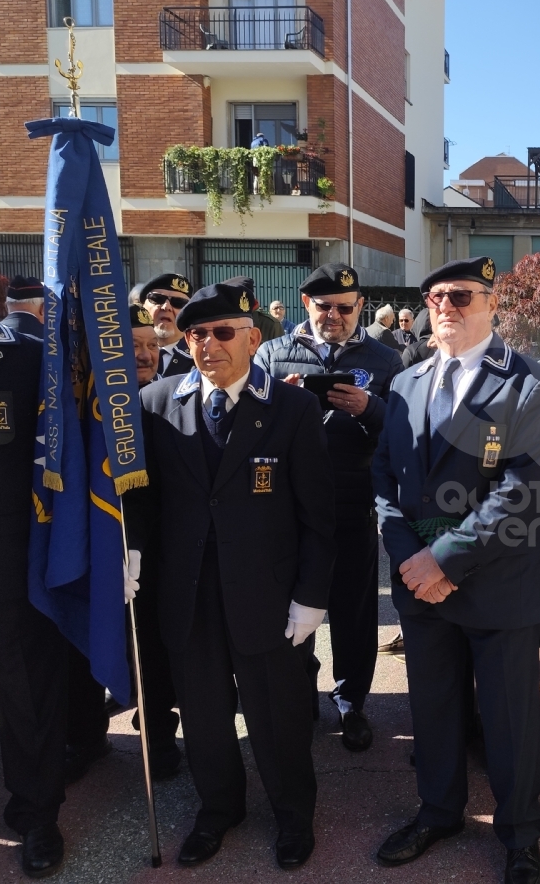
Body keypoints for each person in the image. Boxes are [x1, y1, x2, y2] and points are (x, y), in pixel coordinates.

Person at [125, 281, 335, 870]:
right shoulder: (158, 402)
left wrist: (312, 596)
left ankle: (293, 814)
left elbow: (319, 516)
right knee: (205, 714)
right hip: (188, 592)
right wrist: (132, 547)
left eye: (222, 333)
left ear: (251, 337)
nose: (208, 345)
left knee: (279, 715)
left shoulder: (291, 408)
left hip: (267, 594)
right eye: (196, 334)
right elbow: (144, 498)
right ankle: (219, 808)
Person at [372, 256, 540, 884]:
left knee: (509, 720)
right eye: (434, 297)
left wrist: (443, 559)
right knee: (433, 708)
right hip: (421, 585)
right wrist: (408, 558)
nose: (446, 306)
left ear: (490, 304)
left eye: (461, 295)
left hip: (497, 582)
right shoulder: (405, 383)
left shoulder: (530, 383)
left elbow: (526, 490)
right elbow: (384, 483)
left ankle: (519, 838)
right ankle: (438, 812)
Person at [0, 225, 69, 878]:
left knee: (29, 704)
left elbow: (58, 457)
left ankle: (37, 818)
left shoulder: (23, 358)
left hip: (10, 571)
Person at [255, 262, 403, 751]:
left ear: (360, 306)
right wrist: (280, 407)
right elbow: (246, 427)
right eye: (324, 307)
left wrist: (371, 409)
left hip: (351, 500)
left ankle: (352, 701)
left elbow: (402, 435)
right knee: (290, 606)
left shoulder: (385, 359)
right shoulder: (272, 353)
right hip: (284, 508)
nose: (334, 316)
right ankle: (300, 696)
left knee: (354, 610)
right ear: (305, 305)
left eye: (345, 307)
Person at [65, 304, 182, 785]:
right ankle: (88, 737)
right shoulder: (86, 405)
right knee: (84, 643)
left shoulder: (168, 400)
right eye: (131, 346)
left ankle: (157, 738)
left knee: (153, 650)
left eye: (153, 345)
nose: (144, 354)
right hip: (94, 545)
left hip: (154, 553)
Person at [139, 273, 195, 377]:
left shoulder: (200, 358)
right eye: (157, 299)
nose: (166, 307)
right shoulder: (123, 354)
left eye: (178, 302)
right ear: (142, 307)